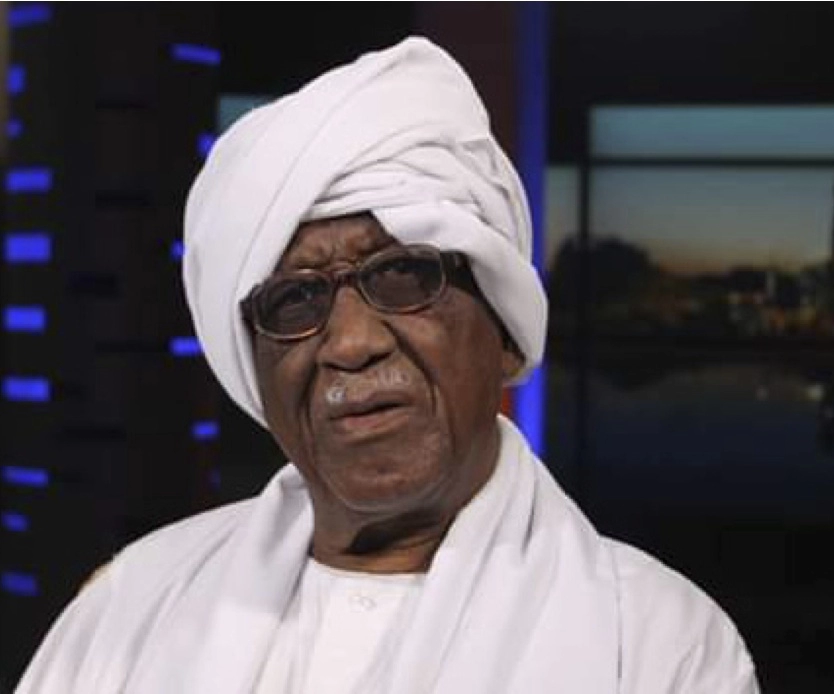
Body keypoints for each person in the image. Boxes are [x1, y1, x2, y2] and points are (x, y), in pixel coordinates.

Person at [16, 38, 758, 693]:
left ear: (503, 330)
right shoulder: (135, 605)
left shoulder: (656, 647)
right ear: (255, 368)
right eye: (294, 300)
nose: (350, 343)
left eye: (403, 276)